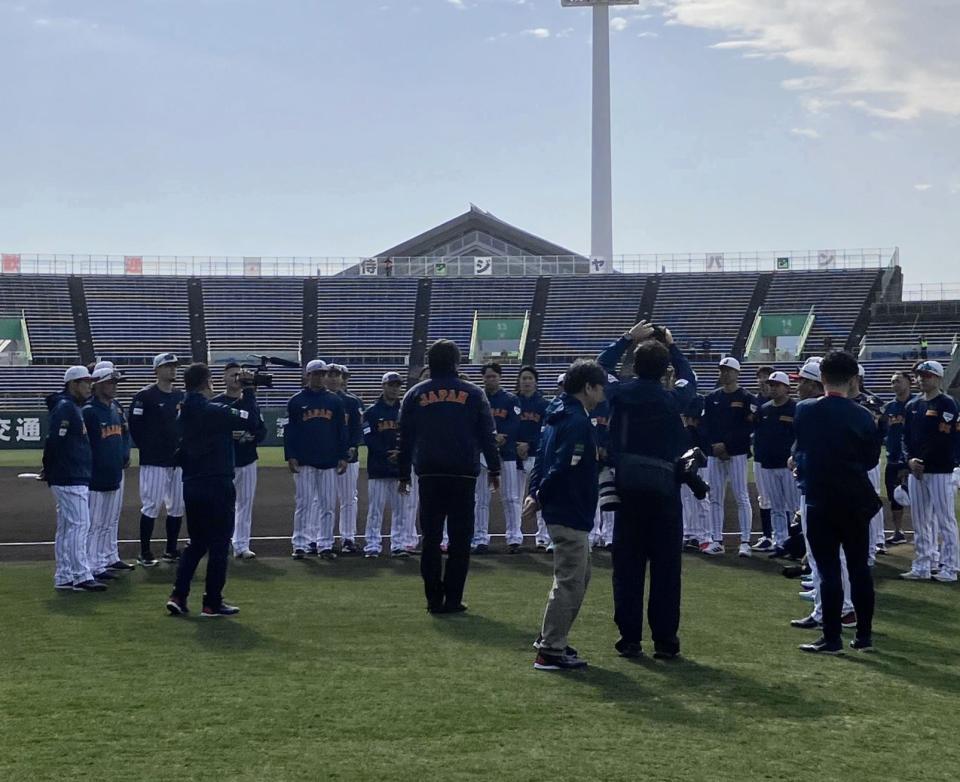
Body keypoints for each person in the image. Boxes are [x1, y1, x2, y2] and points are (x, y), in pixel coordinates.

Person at [598, 321, 697, 659]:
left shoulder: (619, 393)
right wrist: (673, 347)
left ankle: (629, 639)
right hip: (666, 491)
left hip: (627, 490)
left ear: (634, 366)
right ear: (664, 369)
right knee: (667, 570)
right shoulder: (673, 398)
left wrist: (626, 338)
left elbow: (600, 368)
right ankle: (666, 641)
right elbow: (690, 379)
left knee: (627, 568)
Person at [397, 339, 500, 614]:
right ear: (456, 363)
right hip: (463, 473)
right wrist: (495, 468)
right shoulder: (474, 393)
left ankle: (433, 599)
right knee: (460, 538)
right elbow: (486, 436)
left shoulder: (416, 394)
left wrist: (403, 473)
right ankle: (453, 598)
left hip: (429, 472)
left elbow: (405, 437)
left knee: (430, 538)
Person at [794, 351, 880, 654]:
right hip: (855, 498)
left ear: (823, 378)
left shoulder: (804, 410)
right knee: (859, 568)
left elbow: (803, 449)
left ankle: (832, 637)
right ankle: (865, 636)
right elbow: (870, 460)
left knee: (828, 569)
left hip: (820, 498)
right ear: (853, 379)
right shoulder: (864, 416)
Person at [524, 359, 608, 671]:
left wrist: (535, 492)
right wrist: (540, 496)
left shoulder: (556, 415)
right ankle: (550, 650)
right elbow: (562, 465)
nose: (602, 394)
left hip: (564, 509)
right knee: (571, 579)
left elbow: (541, 460)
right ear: (588, 387)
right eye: (599, 387)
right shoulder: (577, 422)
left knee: (578, 576)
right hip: (569, 509)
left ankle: (552, 637)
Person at [165, 363, 261, 617]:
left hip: (192, 483)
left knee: (196, 543)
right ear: (206, 382)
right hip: (217, 482)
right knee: (219, 545)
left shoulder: (183, 411)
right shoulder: (213, 410)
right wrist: (249, 392)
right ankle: (212, 601)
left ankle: (179, 594)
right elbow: (250, 420)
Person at [44, 366, 105, 592]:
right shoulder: (66, 408)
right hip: (70, 475)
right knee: (80, 524)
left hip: (70, 474)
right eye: (85, 382)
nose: (90, 386)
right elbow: (54, 441)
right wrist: (49, 468)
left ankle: (65, 574)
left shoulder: (71, 407)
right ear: (73, 384)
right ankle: (81, 575)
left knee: (68, 526)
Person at [900, 360, 960, 583]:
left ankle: (950, 566)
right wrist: (910, 460)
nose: (921, 379)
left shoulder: (947, 403)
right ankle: (924, 564)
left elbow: (944, 438)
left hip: (939, 469)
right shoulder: (913, 405)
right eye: (919, 376)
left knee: (945, 520)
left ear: (938, 378)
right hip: (917, 470)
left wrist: (922, 460)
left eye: (926, 376)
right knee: (920, 519)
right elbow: (906, 437)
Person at [286, 360, 349, 559]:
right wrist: (291, 455)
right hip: (304, 460)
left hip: (329, 460)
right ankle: (300, 544)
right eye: (316, 374)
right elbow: (290, 431)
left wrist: (342, 455)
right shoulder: (296, 401)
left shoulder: (335, 401)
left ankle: (325, 544)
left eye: (322, 374)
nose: (320, 377)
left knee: (327, 505)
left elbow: (341, 430)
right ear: (308, 375)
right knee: (303, 504)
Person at [128, 352, 185, 566]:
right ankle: (145, 551)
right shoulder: (145, 396)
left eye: (174, 366)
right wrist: (148, 447)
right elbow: (135, 426)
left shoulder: (180, 396)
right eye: (168, 366)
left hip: (178, 460)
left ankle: (171, 549)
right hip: (154, 460)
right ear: (157, 370)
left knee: (177, 506)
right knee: (151, 505)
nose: (172, 369)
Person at [82, 366, 133, 580]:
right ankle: (93, 565)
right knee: (95, 523)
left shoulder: (116, 407)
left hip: (115, 471)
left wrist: (125, 454)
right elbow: (84, 444)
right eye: (110, 382)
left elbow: (124, 433)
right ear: (98, 384)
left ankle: (107, 557)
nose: (114, 386)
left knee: (109, 520)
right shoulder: (89, 411)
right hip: (96, 475)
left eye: (115, 382)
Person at [701, 357, 756, 557]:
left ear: (737, 373)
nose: (724, 374)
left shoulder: (746, 398)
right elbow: (705, 425)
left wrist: (727, 445)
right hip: (715, 454)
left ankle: (745, 541)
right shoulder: (712, 397)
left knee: (741, 495)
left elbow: (747, 428)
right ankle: (717, 539)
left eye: (728, 370)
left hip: (737, 453)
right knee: (715, 496)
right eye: (721, 370)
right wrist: (715, 446)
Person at [212, 363, 267, 559]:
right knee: (221, 504)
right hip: (224, 461)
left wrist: (251, 436)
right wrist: (229, 435)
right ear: (224, 379)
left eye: (239, 375)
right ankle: (220, 541)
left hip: (247, 459)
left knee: (245, 503)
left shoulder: (251, 401)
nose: (237, 378)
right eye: (233, 375)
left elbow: (260, 429)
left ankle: (241, 544)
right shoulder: (216, 402)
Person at [362, 371, 417, 557]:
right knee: (375, 509)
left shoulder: (407, 411)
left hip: (401, 469)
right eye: (391, 385)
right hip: (378, 467)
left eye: (397, 385)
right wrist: (388, 454)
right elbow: (368, 438)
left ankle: (398, 545)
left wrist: (400, 454)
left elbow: (413, 438)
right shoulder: (372, 412)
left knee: (401, 510)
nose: (394, 389)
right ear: (383, 386)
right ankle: (372, 545)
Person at [472, 362, 522, 553]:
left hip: (506, 453)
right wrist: (491, 438)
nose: (490, 379)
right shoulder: (479, 399)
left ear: (500, 377)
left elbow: (514, 423)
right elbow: (475, 424)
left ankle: (514, 537)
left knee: (510, 496)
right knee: (481, 498)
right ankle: (481, 538)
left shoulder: (510, 399)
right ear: (483, 378)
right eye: (487, 376)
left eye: (494, 376)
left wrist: (500, 436)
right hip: (484, 454)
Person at [753, 372, 799, 556]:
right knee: (776, 507)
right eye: (771, 385)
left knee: (794, 507)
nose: (773, 388)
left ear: (787, 388)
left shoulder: (795, 408)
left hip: (787, 465)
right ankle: (780, 542)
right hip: (768, 464)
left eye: (777, 385)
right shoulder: (764, 409)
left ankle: (796, 545)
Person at [325, 365, 364, 554]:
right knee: (323, 500)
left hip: (349, 458)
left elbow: (358, 430)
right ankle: (320, 537)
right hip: (325, 458)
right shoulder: (320, 400)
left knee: (349, 498)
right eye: (329, 375)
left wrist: (353, 447)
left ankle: (348, 537)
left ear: (342, 378)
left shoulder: (353, 401)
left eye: (336, 375)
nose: (333, 379)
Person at [515, 366, 550, 551]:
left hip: (536, 455)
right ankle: (514, 535)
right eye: (523, 378)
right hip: (514, 455)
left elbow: (545, 431)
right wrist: (516, 445)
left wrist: (529, 444)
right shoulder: (513, 402)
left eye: (529, 378)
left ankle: (542, 536)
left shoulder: (544, 404)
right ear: (519, 381)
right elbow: (510, 427)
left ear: (535, 381)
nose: (526, 381)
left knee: (539, 494)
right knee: (514, 497)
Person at [881, 371, 914, 546]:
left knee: (916, 497)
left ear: (909, 382)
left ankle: (924, 532)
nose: (895, 385)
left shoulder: (916, 404)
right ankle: (897, 531)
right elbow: (885, 431)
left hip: (911, 460)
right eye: (892, 382)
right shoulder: (889, 407)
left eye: (898, 381)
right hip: (892, 458)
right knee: (895, 497)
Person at [680, 393, 711, 551]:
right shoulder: (692, 425)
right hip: (689, 462)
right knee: (687, 500)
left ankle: (705, 536)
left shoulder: (700, 423)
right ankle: (691, 534)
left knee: (700, 499)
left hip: (701, 464)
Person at [752, 365, 776, 551]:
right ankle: (767, 535)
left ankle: (783, 535)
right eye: (760, 378)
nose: (763, 382)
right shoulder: (755, 402)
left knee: (784, 498)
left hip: (781, 458)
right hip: (761, 454)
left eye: (766, 378)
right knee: (764, 497)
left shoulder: (784, 403)